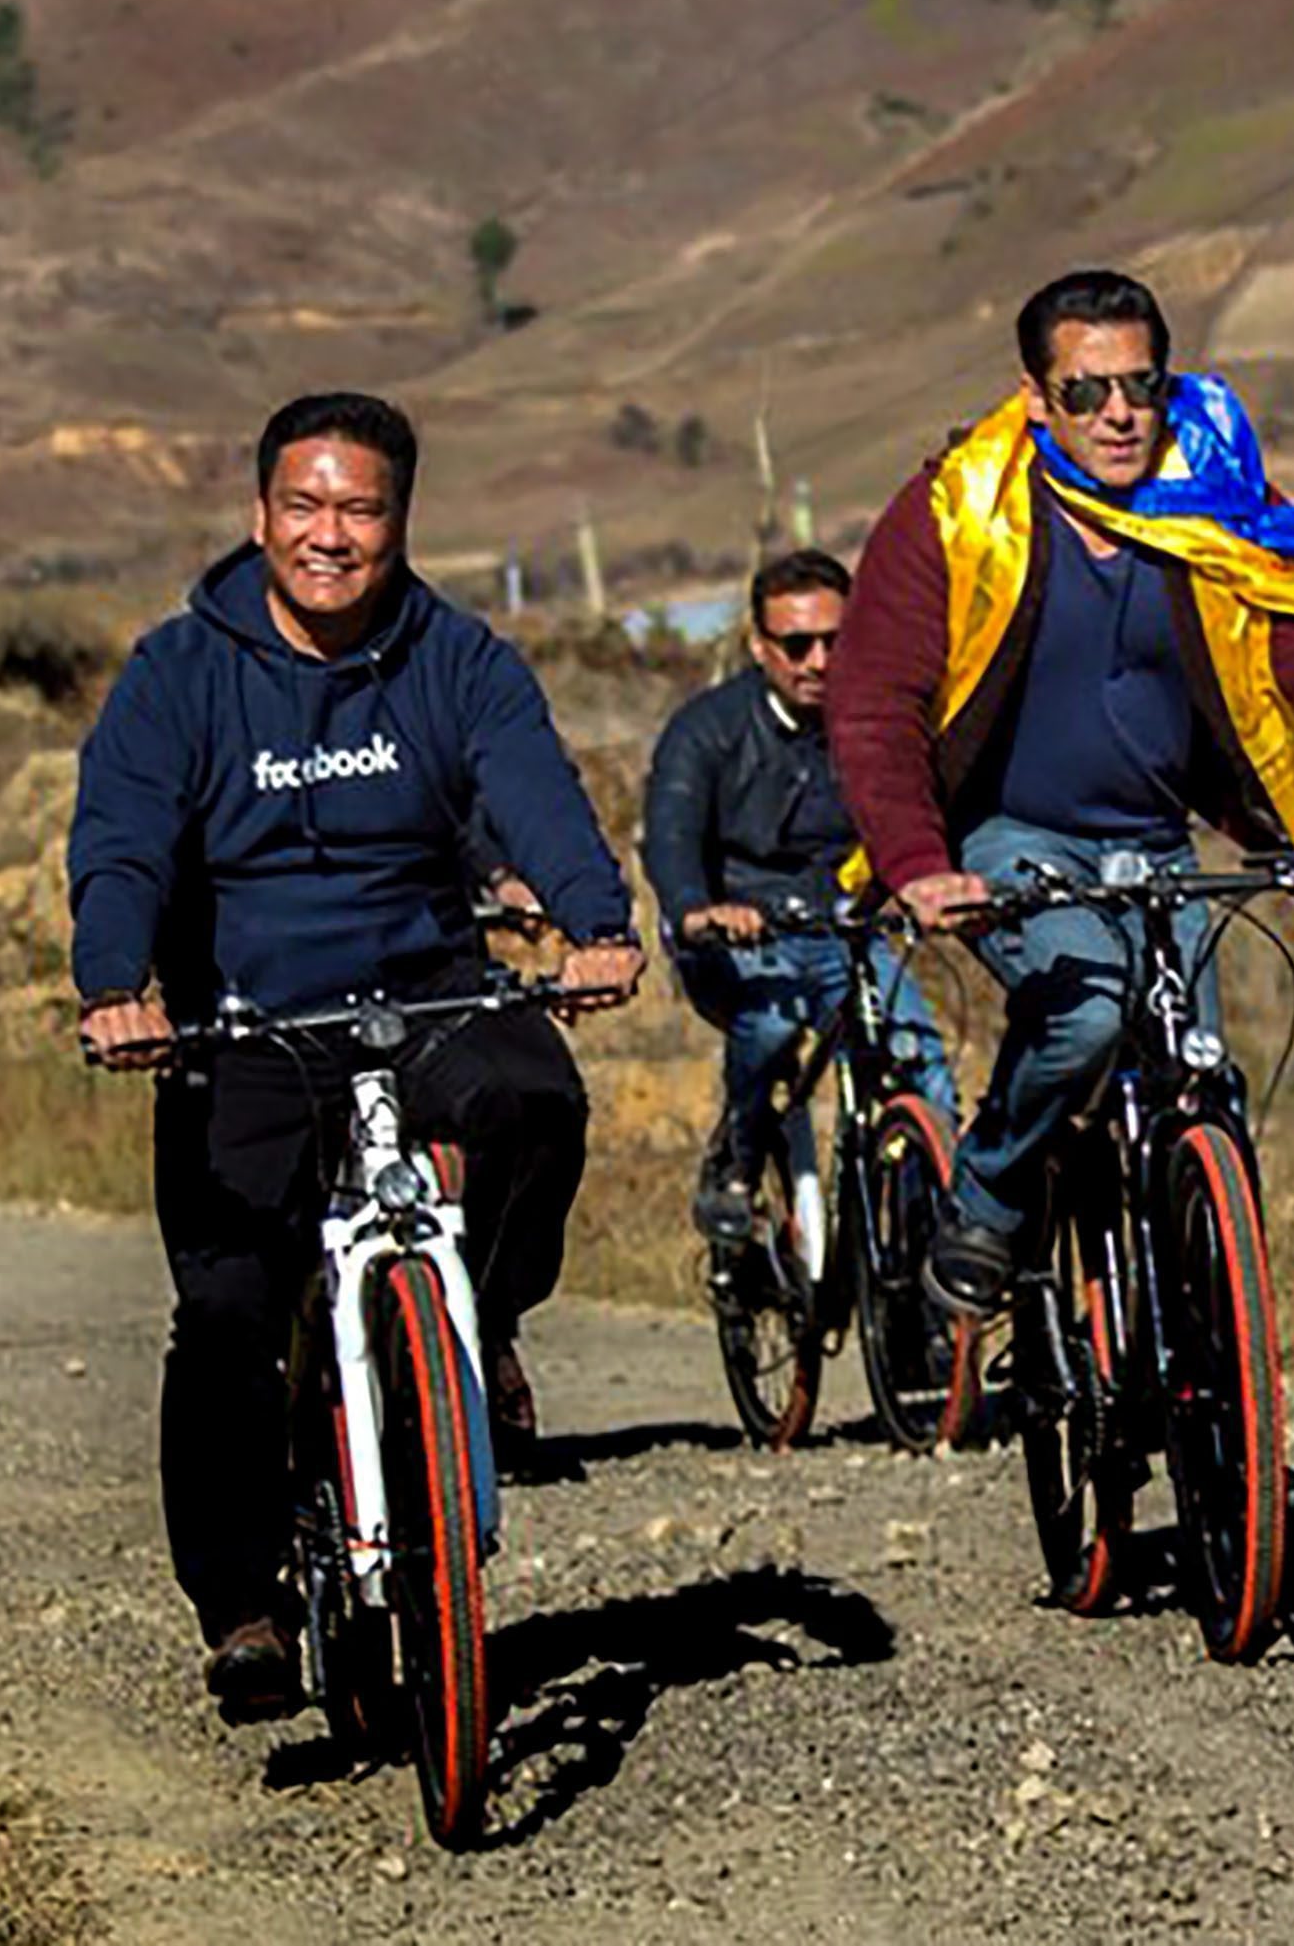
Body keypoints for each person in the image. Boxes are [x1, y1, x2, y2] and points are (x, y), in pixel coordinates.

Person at [65, 390, 644, 1727]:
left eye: (361, 510)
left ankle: (478, 1324)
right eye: (305, 505)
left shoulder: (458, 658)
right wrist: (118, 982)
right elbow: (124, 840)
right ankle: (244, 1603)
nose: (331, 534)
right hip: (242, 1015)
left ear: (400, 523)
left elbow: (532, 789)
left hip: (428, 988)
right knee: (224, 1313)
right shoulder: (177, 674)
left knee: (532, 1101)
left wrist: (594, 922)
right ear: (261, 514)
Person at [831, 265, 1294, 1321]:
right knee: (1085, 1016)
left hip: (1156, 838)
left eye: (1140, 388)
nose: (1118, 414)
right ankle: (993, 1197)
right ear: (1032, 395)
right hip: (1010, 838)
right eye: (1085, 392)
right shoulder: (957, 516)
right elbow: (875, 704)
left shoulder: (1222, 498)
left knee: (1203, 1085)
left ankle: (1219, 1407)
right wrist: (920, 867)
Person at [641, 548, 960, 1245]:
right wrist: (698, 907)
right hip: (738, 936)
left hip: (845, 928)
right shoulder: (706, 729)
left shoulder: (878, 724)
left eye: (836, 641)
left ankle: (929, 1227)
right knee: (772, 1025)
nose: (818, 661)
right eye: (796, 644)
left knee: (920, 1058)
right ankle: (738, 1160)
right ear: (760, 646)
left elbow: (924, 807)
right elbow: (670, 832)